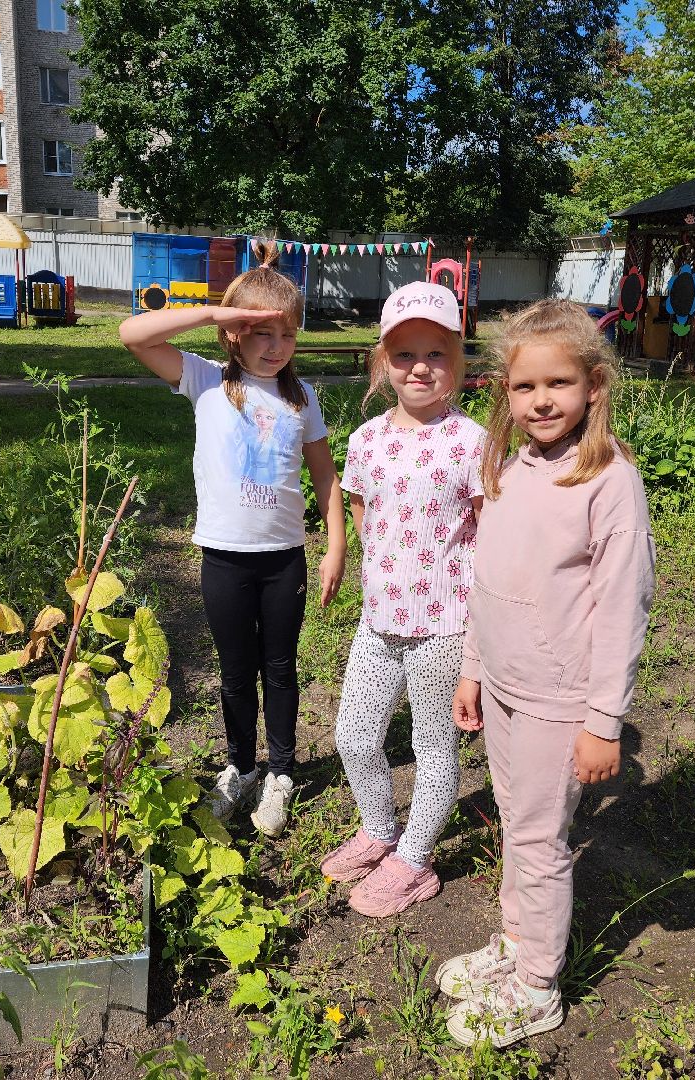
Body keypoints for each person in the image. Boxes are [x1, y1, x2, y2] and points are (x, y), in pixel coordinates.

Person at [439, 299, 655, 1047]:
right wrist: (472, 669)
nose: (541, 401)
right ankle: (513, 944)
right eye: (524, 387)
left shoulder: (608, 480)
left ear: (594, 385)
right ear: (505, 391)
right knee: (518, 827)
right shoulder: (507, 463)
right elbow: (487, 576)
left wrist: (603, 721)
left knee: (539, 842)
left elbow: (624, 605)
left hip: (559, 698)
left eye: (558, 383)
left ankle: (538, 986)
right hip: (502, 685)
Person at [118, 244, 346, 838]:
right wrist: (214, 314)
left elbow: (325, 475)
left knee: (279, 667)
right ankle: (240, 765)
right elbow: (132, 334)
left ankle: (281, 772)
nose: (274, 347)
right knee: (234, 670)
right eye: (258, 333)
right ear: (232, 337)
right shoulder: (205, 380)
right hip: (222, 557)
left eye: (286, 335)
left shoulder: (302, 399)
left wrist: (337, 543)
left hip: (283, 561)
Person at [319, 281, 485, 917]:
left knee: (432, 748)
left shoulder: (472, 442)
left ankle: (415, 861)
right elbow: (361, 508)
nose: (420, 367)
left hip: (445, 624)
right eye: (404, 353)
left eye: (436, 354)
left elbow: (485, 527)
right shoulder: (365, 438)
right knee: (355, 737)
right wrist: (389, 573)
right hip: (378, 619)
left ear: (457, 362)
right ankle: (380, 827)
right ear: (381, 362)